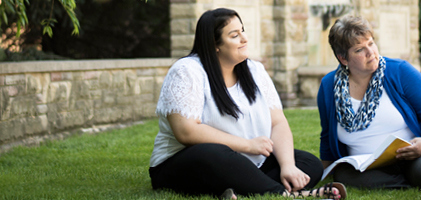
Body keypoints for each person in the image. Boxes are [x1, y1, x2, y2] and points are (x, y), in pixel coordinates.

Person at [148, 8, 345, 199]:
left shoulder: (254, 70)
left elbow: (277, 122)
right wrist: (248, 145)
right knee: (214, 152)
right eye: (234, 35)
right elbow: (186, 132)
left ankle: (238, 190)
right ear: (214, 44)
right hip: (187, 163)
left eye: (242, 31)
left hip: (246, 161)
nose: (244, 39)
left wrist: (287, 166)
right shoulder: (187, 71)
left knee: (308, 163)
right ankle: (288, 195)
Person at [317, 15, 421, 189]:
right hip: (368, 164)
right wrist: (325, 174)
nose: (371, 52)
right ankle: (409, 181)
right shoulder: (329, 86)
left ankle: (415, 176)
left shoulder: (400, 71)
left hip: (415, 155)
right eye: (359, 50)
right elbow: (327, 135)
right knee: (344, 175)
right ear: (343, 58)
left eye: (371, 43)